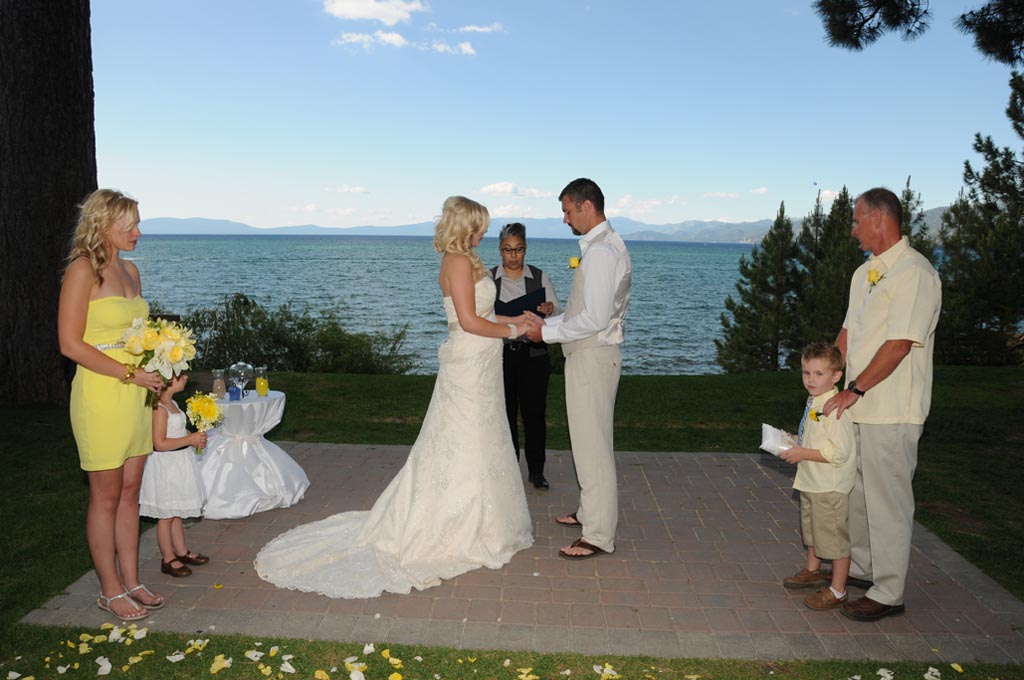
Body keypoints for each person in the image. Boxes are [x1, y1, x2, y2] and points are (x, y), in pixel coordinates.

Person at [254, 196, 538, 597]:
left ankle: (488, 519)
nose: (484, 232)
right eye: (479, 225)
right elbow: (470, 323)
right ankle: (454, 523)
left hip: (483, 364)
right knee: (464, 439)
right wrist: (516, 332)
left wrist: (516, 319)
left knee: (485, 437)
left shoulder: (468, 260)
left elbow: (486, 315)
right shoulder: (456, 262)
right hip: (469, 363)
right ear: (465, 225)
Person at [823, 187, 941, 622]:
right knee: (856, 495)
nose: (852, 230)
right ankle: (864, 567)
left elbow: (900, 344)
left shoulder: (915, 273)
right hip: (856, 405)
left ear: (879, 219)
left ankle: (890, 591)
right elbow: (848, 332)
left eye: (856, 221)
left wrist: (856, 388)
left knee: (888, 500)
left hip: (891, 409)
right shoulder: (863, 274)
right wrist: (829, 380)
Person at [58, 189, 167, 621]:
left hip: (138, 395)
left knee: (130, 494)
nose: (138, 232)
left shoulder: (133, 272)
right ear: (103, 226)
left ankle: (132, 580)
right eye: (130, 226)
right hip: (102, 395)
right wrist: (129, 374)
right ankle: (108, 589)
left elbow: (141, 333)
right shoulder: (82, 271)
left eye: (138, 224)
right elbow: (70, 344)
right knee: (104, 498)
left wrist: (161, 363)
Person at [526, 178, 632, 560]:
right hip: (593, 355)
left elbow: (595, 319)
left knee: (592, 448)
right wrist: (547, 327)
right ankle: (590, 512)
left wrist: (545, 334)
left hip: (592, 357)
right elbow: (586, 315)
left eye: (568, 212)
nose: (566, 220)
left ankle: (600, 534)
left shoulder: (602, 252)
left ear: (588, 206)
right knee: (588, 442)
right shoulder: (605, 245)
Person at [779, 342, 857, 610]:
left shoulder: (834, 409)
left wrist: (802, 453)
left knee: (833, 538)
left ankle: (838, 590)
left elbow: (838, 453)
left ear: (836, 376)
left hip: (829, 486)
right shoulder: (815, 401)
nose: (811, 380)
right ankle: (813, 571)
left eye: (818, 374)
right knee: (813, 530)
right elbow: (814, 436)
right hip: (812, 482)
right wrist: (792, 440)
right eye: (806, 373)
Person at [490, 222, 562, 490]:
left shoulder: (540, 277)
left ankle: (536, 471)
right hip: (501, 355)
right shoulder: (489, 279)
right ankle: (509, 470)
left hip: (534, 355)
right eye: (508, 249)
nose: (513, 255)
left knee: (534, 414)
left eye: (518, 249)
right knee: (504, 414)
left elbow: (557, 312)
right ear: (500, 250)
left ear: (525, 249)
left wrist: (551, 307)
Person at [139, 373, 209, 578]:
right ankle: (168, 558)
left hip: (179, 462)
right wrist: (189, 439)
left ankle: (181, 551)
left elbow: (178, 430)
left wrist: (193, 438)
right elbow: (159, 443)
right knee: (166, 515)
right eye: (180, 375)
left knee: (176, 510)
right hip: (166, 466)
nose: (186, 377)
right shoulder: (159, 410)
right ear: (167, 381)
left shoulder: (173, 403)